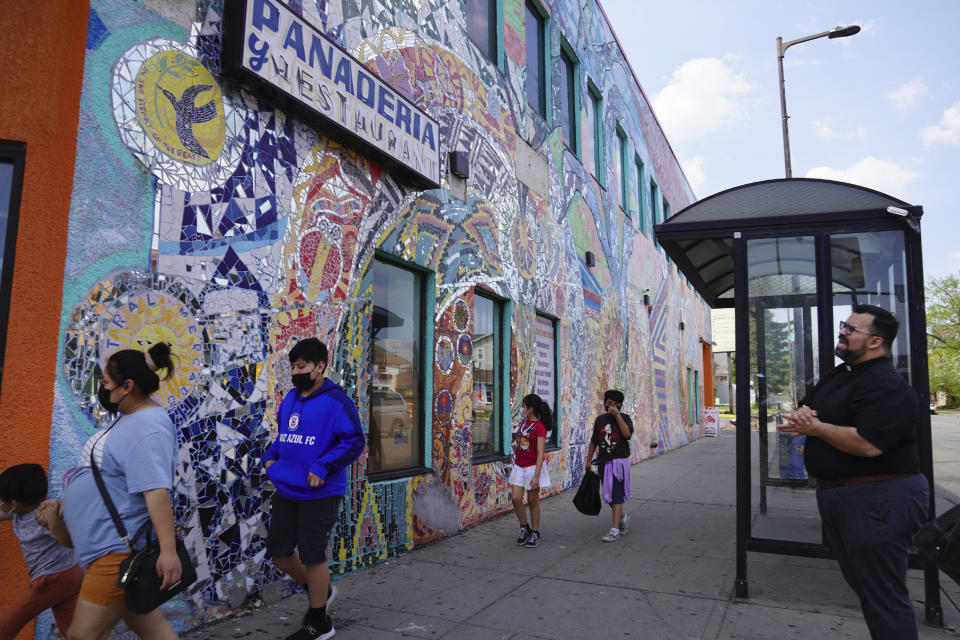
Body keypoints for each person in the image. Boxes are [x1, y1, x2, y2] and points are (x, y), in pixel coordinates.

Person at [778, 304, 928, 640]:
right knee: (869, 590)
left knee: (884, 597)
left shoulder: (885, 384)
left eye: (851, 329)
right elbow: (811, 407)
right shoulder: (843, 373)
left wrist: (815, 428)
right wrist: (806, 416)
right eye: (844, 325)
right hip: (845, 496)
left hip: (878, 498)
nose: (842, 331)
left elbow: (868, 445)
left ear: (875, 342)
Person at [35, 342, 183, 640]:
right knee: (150, 627)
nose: (103, 389)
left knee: (81, 636)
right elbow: (111, 483)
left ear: (127, 386)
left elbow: (156, 492)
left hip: (116, 554)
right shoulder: (133, 419)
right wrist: (70, 506)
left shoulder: (148, 426)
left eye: (106, 383)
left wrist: (168, 552)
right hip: (112, 551)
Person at [263, 338, 365, 640]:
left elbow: (354, 441)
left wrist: (322, 466)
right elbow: (286, 436)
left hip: (320, 494)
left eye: (302, 366)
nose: (296, 371)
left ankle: (320, 622)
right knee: (279, 552)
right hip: (288, 489)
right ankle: (318, 589)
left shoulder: (336, 401)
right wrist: (270, 456)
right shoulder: (291, 399)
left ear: (320, 367)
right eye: (293, 366)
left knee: (312, 555)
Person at [0, 464, 83, 640]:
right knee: (73, 634)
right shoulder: (21, 512)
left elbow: (69, 538)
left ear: (13, 504)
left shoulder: (47, 514)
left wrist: (54, 521)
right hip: (70, 575)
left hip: (53, 578)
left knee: (6, 625)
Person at [585, 390, 634, 542]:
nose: (610, 405)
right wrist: (588, 460)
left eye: (614, 403)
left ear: (620, 405)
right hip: (603, 463)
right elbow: (594, 440)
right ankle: (623, 518)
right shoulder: (600, 420)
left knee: (616, 496)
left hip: (619, 463)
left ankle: (615, 530)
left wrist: (617, 415)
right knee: (609, 497)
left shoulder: (625, 418)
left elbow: (627, 434)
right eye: (608, 402)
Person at [510, 393, 553, 548]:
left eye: (523, 406)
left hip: (533, 468)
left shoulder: (540, 427)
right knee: (515, 498)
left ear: (531, 409)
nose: (521, 409)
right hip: (519, 466)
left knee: (532, 501)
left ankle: (535, 532)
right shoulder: (523, 423)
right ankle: (524, 527)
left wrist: (536, 476)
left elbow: (541, 452)